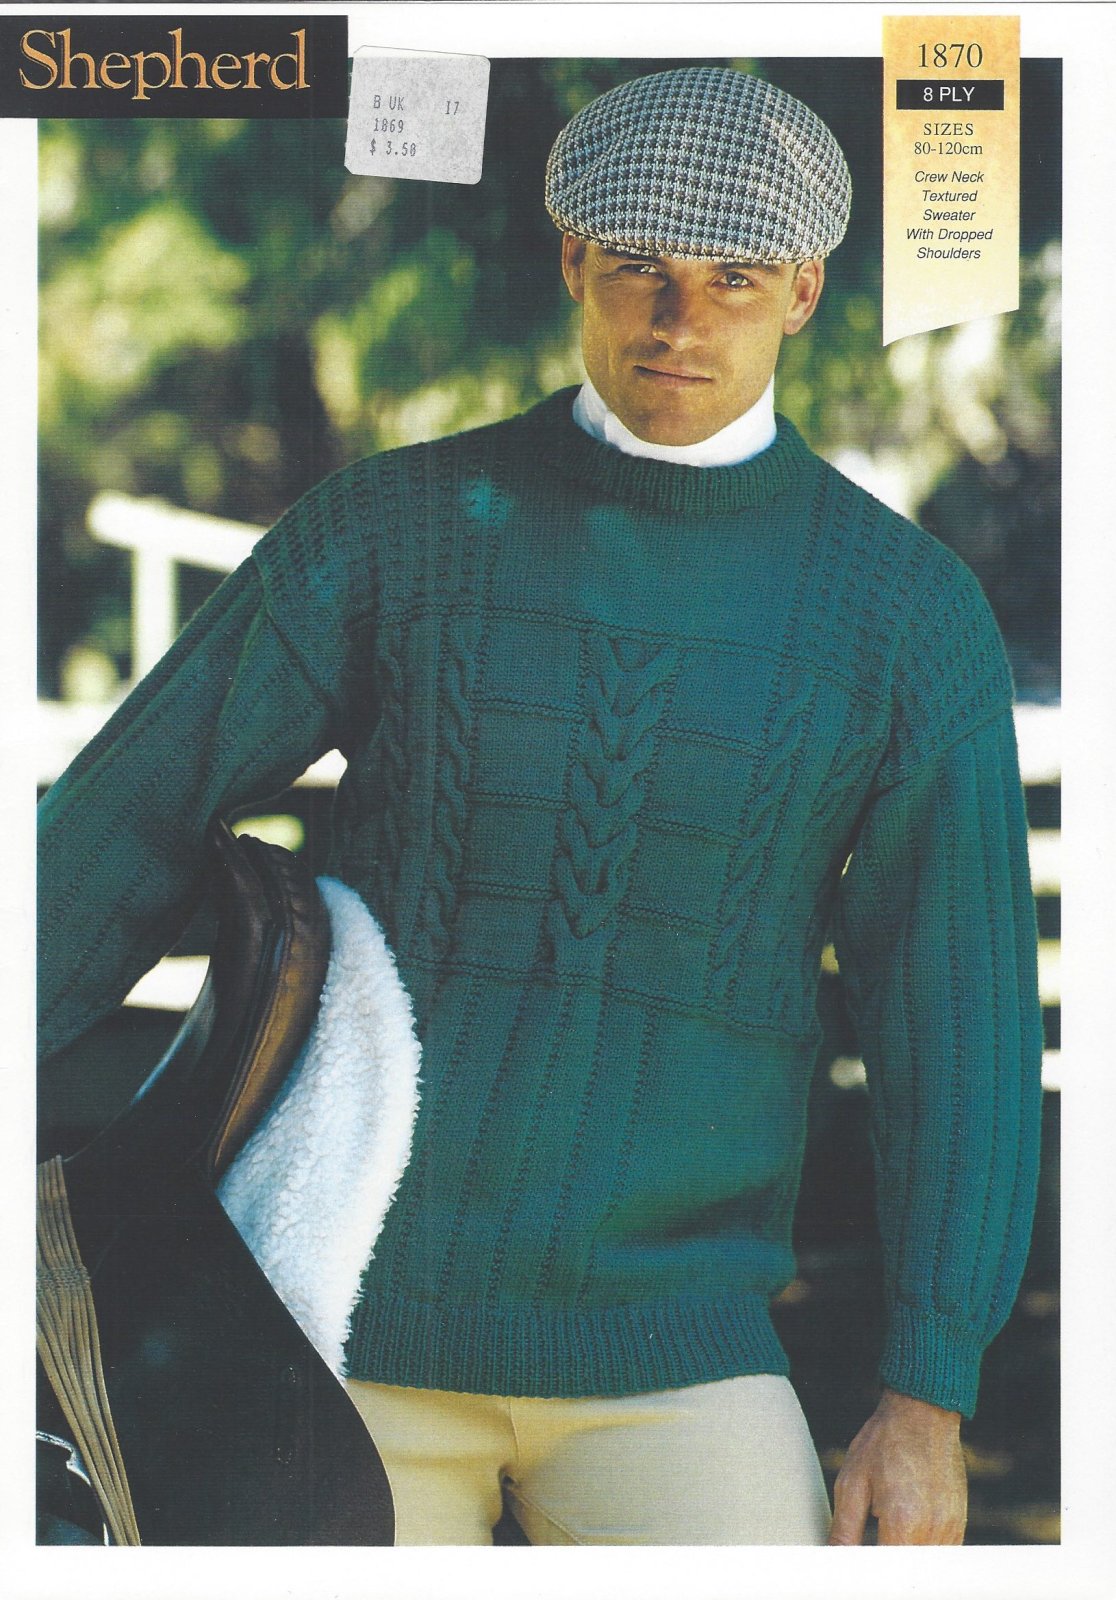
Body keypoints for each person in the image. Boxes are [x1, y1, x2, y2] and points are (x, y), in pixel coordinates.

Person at [38, 67, 1043, 1546]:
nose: (679, 319)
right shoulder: (392, 530)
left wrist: (928, 1396)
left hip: (678, 1349)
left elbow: (955, 1031)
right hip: (341, 1311)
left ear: (805, 290)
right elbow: (126, 814)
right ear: (572, 260)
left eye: (733, 276)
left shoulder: (906, 620)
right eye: (637, 266)